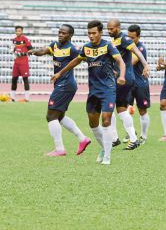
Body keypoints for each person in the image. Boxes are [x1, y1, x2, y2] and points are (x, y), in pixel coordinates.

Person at [51, 20, 126, 165]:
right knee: (93, 123)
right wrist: (60, 73)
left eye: (94, 33)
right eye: (89, 33)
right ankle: (104, 148)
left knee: (106, 120)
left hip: (108, 89)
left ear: (100, 33)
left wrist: (122, 76)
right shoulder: (86, 48)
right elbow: (75, 61)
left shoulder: (107, 45)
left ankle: (107, 158)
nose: (91, 36)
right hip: (93, 91)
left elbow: (120, 61)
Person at [28, 24, 91, 156]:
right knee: (60, 117)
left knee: (50, 116)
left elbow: (84, 59)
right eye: (60, 32)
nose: (61, 34)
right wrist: (33, 51)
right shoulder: (55, 45)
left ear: (70, 35)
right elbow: (44, 51)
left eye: (64, 33)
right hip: (62, 85)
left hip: (66, 85)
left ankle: (59, 149)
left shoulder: (72, 49)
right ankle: (82, 138)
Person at [107, 19, 150, 150]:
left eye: (112, 29)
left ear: (118, 28)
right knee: (119, 108)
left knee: (111, 106)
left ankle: (119, 138)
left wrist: (145, 64)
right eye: (108, 29)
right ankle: (129, 138)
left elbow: (137, 51)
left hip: (124, 78)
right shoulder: (114, 41)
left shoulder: (124, 39)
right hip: (121, 78)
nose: (109, 31)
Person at [126, 25, 152, 144]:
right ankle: (131, 133)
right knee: (125, 109)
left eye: (133, 37)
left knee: (142, 110)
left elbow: (132, 61)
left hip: (140, 84)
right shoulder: (127, 47)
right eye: (128, 37)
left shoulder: (140, 48)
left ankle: (144, 136)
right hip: (128, 84)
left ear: (139, 37)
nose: (130, 40)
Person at [10, 26, 33, 102]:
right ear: (15, 32)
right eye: (17, 31)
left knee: (25, 79)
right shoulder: (14, 40)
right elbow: (12, 49)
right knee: (14, 79)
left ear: (22, 31)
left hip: (24, 62)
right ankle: (12, 98)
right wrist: (14, 52)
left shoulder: (25, 39)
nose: (18, 32)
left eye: (20, 31)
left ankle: (27, 98)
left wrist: (23, 53)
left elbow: (31, 49)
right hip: (16, 62)